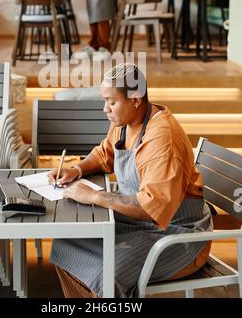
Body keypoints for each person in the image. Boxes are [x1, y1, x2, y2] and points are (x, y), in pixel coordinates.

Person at [48, 63, 213, 298]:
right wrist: (75, 170)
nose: (105, 109)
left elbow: (150, 206)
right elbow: (105, 153)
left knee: (109, 272)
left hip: (178, 233)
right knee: (66, 243)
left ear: (135, 100)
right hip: (143, 223)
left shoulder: (162, 139)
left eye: (111, 102)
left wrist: (95, 196)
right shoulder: (126, 122)